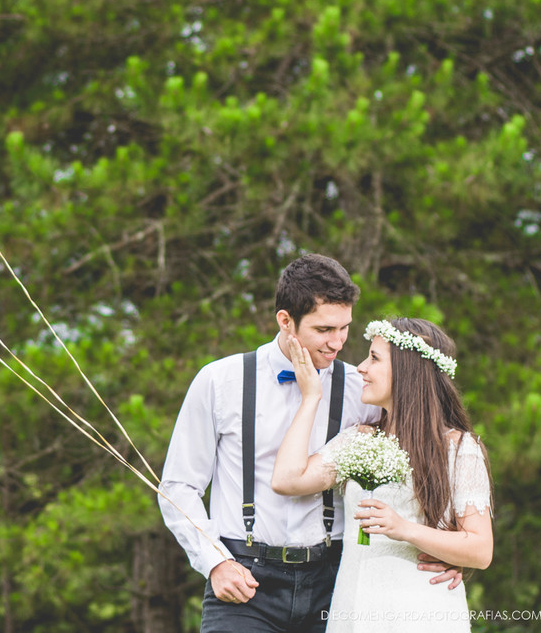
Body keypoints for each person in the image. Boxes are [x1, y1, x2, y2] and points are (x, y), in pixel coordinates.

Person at [158, 254, 461, 632]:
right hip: (244, 580)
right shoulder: (220, 382)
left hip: (334, 583)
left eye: (344, 328)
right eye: (324, 329)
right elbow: (178, 486)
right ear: (286, 321)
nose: (337, 343)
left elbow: (419, 459)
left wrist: (447, 547)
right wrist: (214, 561)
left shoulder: (361, 388)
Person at [272, 317, 493, 631]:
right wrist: (310, 398)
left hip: (422, 611)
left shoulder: (458, 448)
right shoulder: (360, 439)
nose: (361, 367)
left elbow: (481, 550)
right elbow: (287, 480)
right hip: (353, 606)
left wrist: (404, 529)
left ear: (408, 372)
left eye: (374, 358)